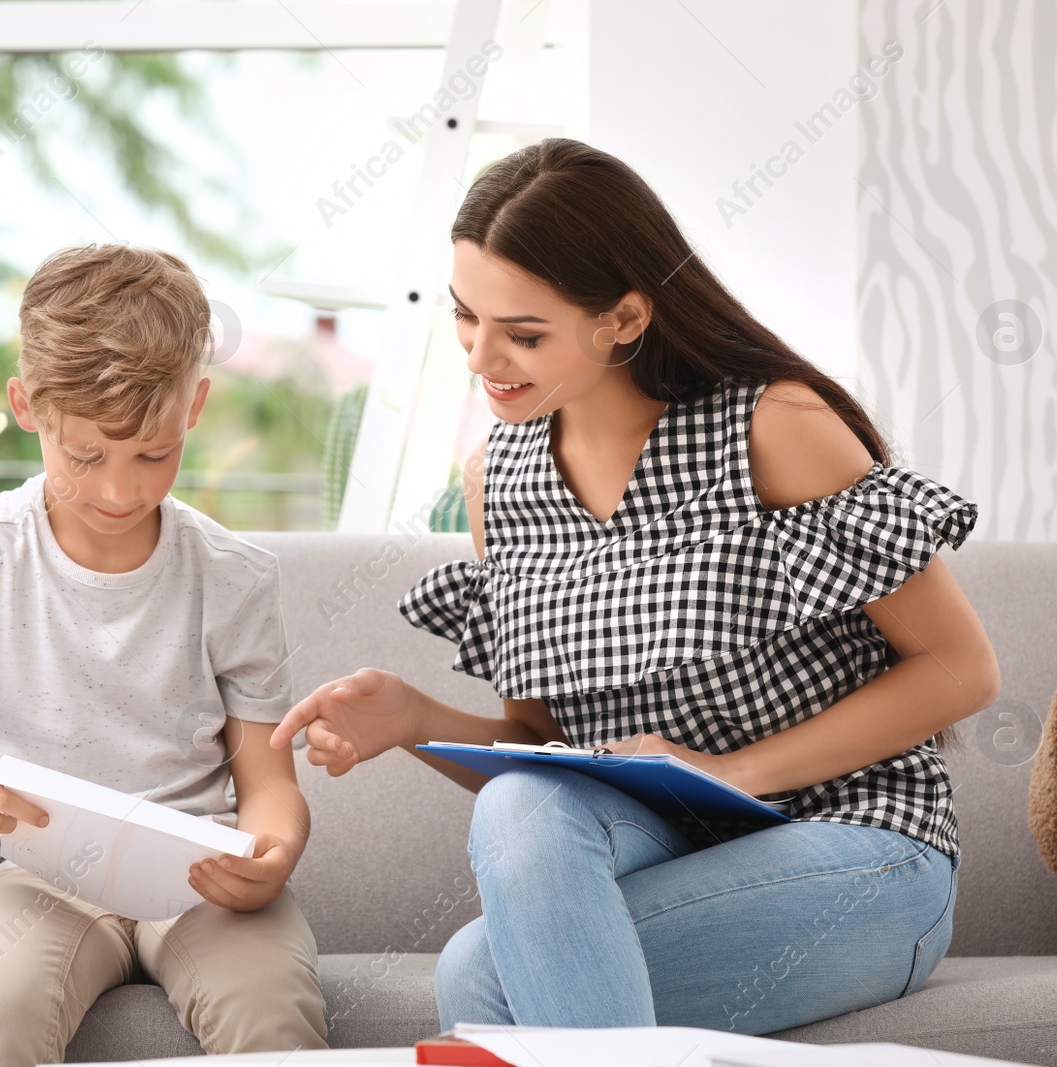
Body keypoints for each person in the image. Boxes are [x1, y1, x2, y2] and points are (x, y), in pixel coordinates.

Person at [270, 139, 999, 1035]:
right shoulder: (499, 481)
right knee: (515, 815)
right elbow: (544, 747)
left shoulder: (774, 427)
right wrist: (416, 721)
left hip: (865, 848)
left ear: (621, 318)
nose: (481, 355)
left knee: (483, 982)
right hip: (669, 852)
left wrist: (731, 772)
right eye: (466, 316)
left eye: (523, 332)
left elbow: (961, 670)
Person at [0, 244, 328, 1064]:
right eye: (86, 456)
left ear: (195, 406)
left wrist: (273, 849)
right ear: (26, 405)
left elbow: (269, 789)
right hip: (32, 878)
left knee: (271, 1009)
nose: (121, 490)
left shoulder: (233, 577)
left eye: (153, 455)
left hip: (198, 874)